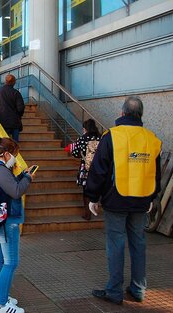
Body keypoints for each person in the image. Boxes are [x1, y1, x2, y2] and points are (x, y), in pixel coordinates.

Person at [86, 96, 162, 305]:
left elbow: (99, 170)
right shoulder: (151, 138)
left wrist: (93, 196)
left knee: (116, 244)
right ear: (141, 115)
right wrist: (152, 197)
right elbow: (155, 172)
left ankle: (114, 291)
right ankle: (138, 289)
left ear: (122, 113)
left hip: (115, 200)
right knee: (138, 243)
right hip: (141, 200)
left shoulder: (111, 136)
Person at [0, 137, 34, 313]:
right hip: (8, 220)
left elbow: (8, 187)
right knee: (10, 262)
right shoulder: (1, 169)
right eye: (13, 155)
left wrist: (20, 176)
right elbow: (16, 191)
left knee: (0, 258)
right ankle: (2, 305)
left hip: (0, 220)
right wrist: (27, 178)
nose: (15, 159)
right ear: (5, 154)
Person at [65, 119, 101, 220]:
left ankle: (87, 214)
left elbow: (76, 153)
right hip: (99, 167)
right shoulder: (100, 137)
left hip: (86, 168)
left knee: (86, 191)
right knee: (97, 188)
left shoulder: (82, 138)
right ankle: (97, 209)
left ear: (85, 128)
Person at [0, 74, 25, 141]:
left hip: (2, 121)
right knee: (15, 144)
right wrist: (19, 115)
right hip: (14, 122)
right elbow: (20, 108)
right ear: (14, 82)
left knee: (3, 142)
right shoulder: (16, 93)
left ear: (5, 81)